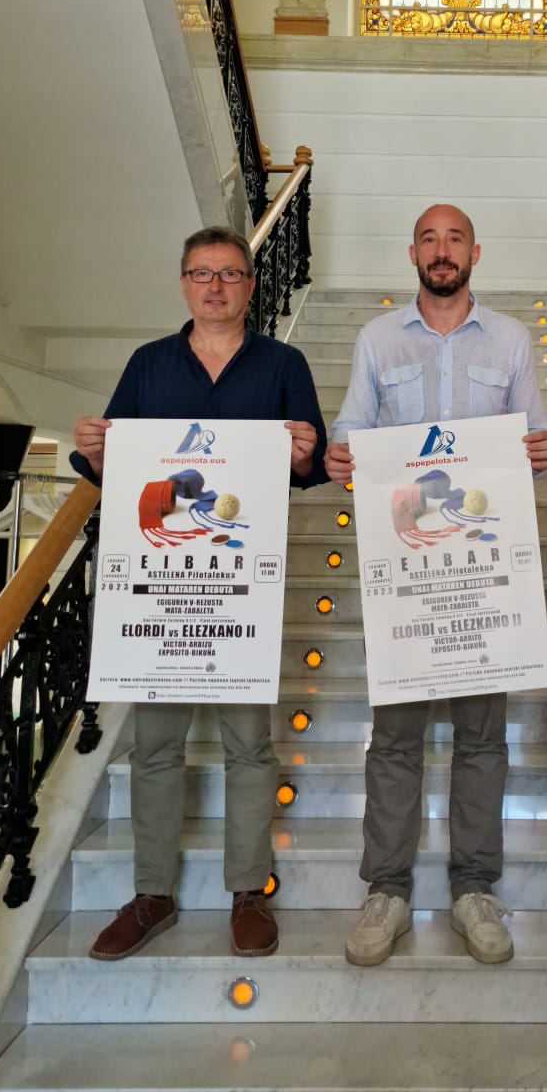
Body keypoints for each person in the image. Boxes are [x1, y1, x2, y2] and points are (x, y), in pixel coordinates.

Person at [72, 225, 327, 961]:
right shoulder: (148, 365)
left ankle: (248, 889)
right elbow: (115, 468)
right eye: (200, 273)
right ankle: (152, 891)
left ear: (252, 286)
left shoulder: (283, 363)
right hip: (160, 593)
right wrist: (93, 454)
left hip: (241, 587)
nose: (215, 286)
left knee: (249, 745)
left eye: (229, 274)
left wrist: (307, 454)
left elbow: (309, 467)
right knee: (154, 746)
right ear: (182, 283)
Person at [326, 204, 547, 967]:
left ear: (475, 253)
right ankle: (386, 890)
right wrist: (339, 456)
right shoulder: (376, 339)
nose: (441, 250)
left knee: (482, 738)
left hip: (485, 580)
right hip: (406, 577)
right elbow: (349, 430)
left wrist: (541, 446)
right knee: (393, 739)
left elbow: (532, 443)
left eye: (454, 238)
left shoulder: (514, 340)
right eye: (429, 238)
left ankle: (474, 889)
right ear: (413, 253)